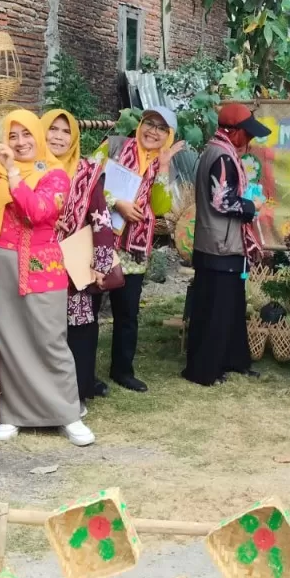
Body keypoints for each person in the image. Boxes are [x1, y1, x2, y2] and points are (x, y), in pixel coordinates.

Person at [0, 110, 94, 446]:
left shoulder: (54, 174)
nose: (20, 142)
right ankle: (10, 413)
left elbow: (38, 211)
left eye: (27, 134)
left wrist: (12, 172)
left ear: (38, 137)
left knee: (49, 340)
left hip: (40, 270)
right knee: (4, 342)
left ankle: (67, 413)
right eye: (13, 135)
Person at [94, 108, 184, 392]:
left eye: (162, 128)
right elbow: (87, 178)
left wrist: (164, 167)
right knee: (89, 309)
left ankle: (122, 370)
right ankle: (84, 373)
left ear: (169, 136)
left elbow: (160, 206)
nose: (153, 131)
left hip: (133, 248)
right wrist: (116, 202)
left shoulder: (165, 163)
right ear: (141, 124)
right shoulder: (114, 146)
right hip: (99, 240)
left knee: (127, 313)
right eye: (149, 123)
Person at [183, 104, 272, 386]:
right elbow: (222, 201)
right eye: (248, 133)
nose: (250, 139)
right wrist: (252, 206)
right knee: (216, 312)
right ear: (233, 132)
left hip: (218, 243)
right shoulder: (222, 156)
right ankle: (204, 370)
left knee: (229, 307)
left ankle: (232, 360)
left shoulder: (217, 151)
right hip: (220, 245)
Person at [43, 108, 115, 406]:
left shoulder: (86, 172)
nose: (59, 137)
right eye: (53, 129)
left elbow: (101, 220)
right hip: (39, 264)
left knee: (80, 328)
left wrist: (101, 264)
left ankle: (77, 392)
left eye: (66, 131)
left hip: (74, 266)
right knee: (43, 330)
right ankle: (44, 396)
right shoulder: (30, 169)